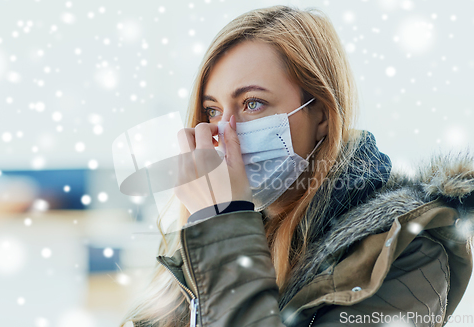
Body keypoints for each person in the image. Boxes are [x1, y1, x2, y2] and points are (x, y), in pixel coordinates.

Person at [120, 5, 474, 327]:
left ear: (320, 114)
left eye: (253, 103)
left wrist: (222, 224)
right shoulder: (199, 239)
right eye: (213, 110)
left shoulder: (407, 249)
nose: (225, 131)